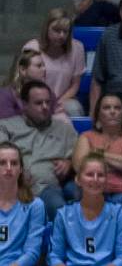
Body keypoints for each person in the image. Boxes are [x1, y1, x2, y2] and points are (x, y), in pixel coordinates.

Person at [0, 81, 76, 217]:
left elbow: (82, 157)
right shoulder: (6, 126)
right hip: (15, 186)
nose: (45, 107)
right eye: (38, 103)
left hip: (50, 186)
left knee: (65, 203)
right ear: (24, 105)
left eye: (48, 102)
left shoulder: (65, 130)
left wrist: (70, 163)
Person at [71, 94, 122, 211]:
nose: (112, 111)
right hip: (91, 187)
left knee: (119, 203)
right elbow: (80, 166)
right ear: (98, 114)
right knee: (75, 193)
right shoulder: (86, 136)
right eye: (107, 108)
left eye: (117, 108)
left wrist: (97, 153)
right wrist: (120, 162)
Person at [22, 11, 86, 118]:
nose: (62, 36)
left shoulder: (77, 48)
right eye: (57, 30)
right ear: (46, 29)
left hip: (63, 98)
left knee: (74, 108)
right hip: (35, 97)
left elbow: (75, 85)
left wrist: (57, 103)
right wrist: (45, 102)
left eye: (65, 32)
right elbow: (26, 83)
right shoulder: (32, 48)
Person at [0, 48, 47, 119]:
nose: (44, 69)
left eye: (44, 65)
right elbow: (7, 124)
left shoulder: (46, 91)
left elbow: (57, 113)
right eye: (39, 66)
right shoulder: (6, 95)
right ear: (23, 70)